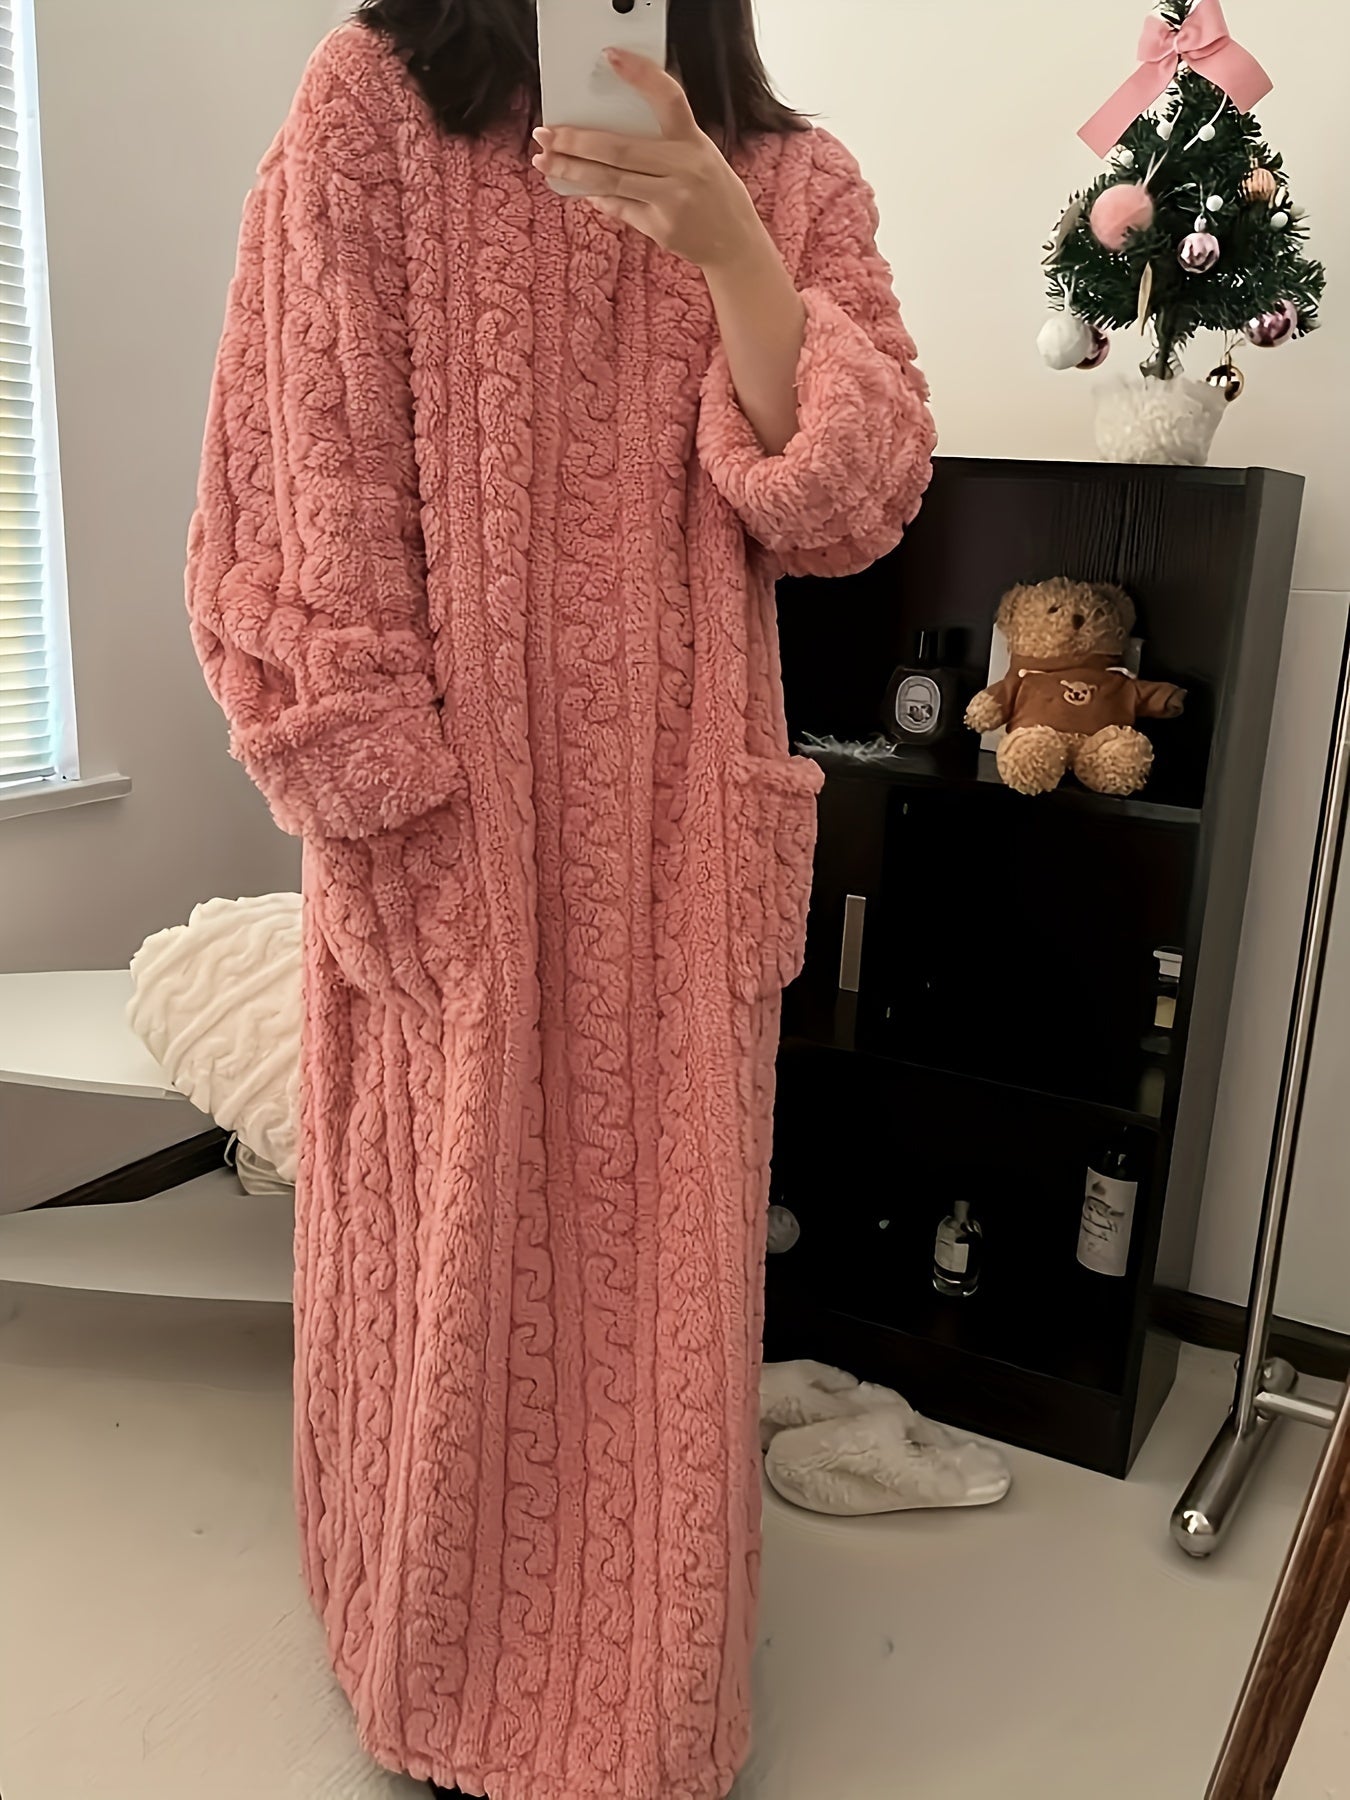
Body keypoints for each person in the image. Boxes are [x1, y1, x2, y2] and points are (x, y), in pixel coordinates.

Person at [186, 3, 934, 1795]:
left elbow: (848, 504)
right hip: (455, 833)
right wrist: (381, 806)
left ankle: (643, 1702)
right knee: (442, 1264)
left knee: (660, 1291)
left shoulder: (793, 179)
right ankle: (435, 1666)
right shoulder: (373, 104)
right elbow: (298, 487)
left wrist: (733, 248)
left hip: (677, 851)